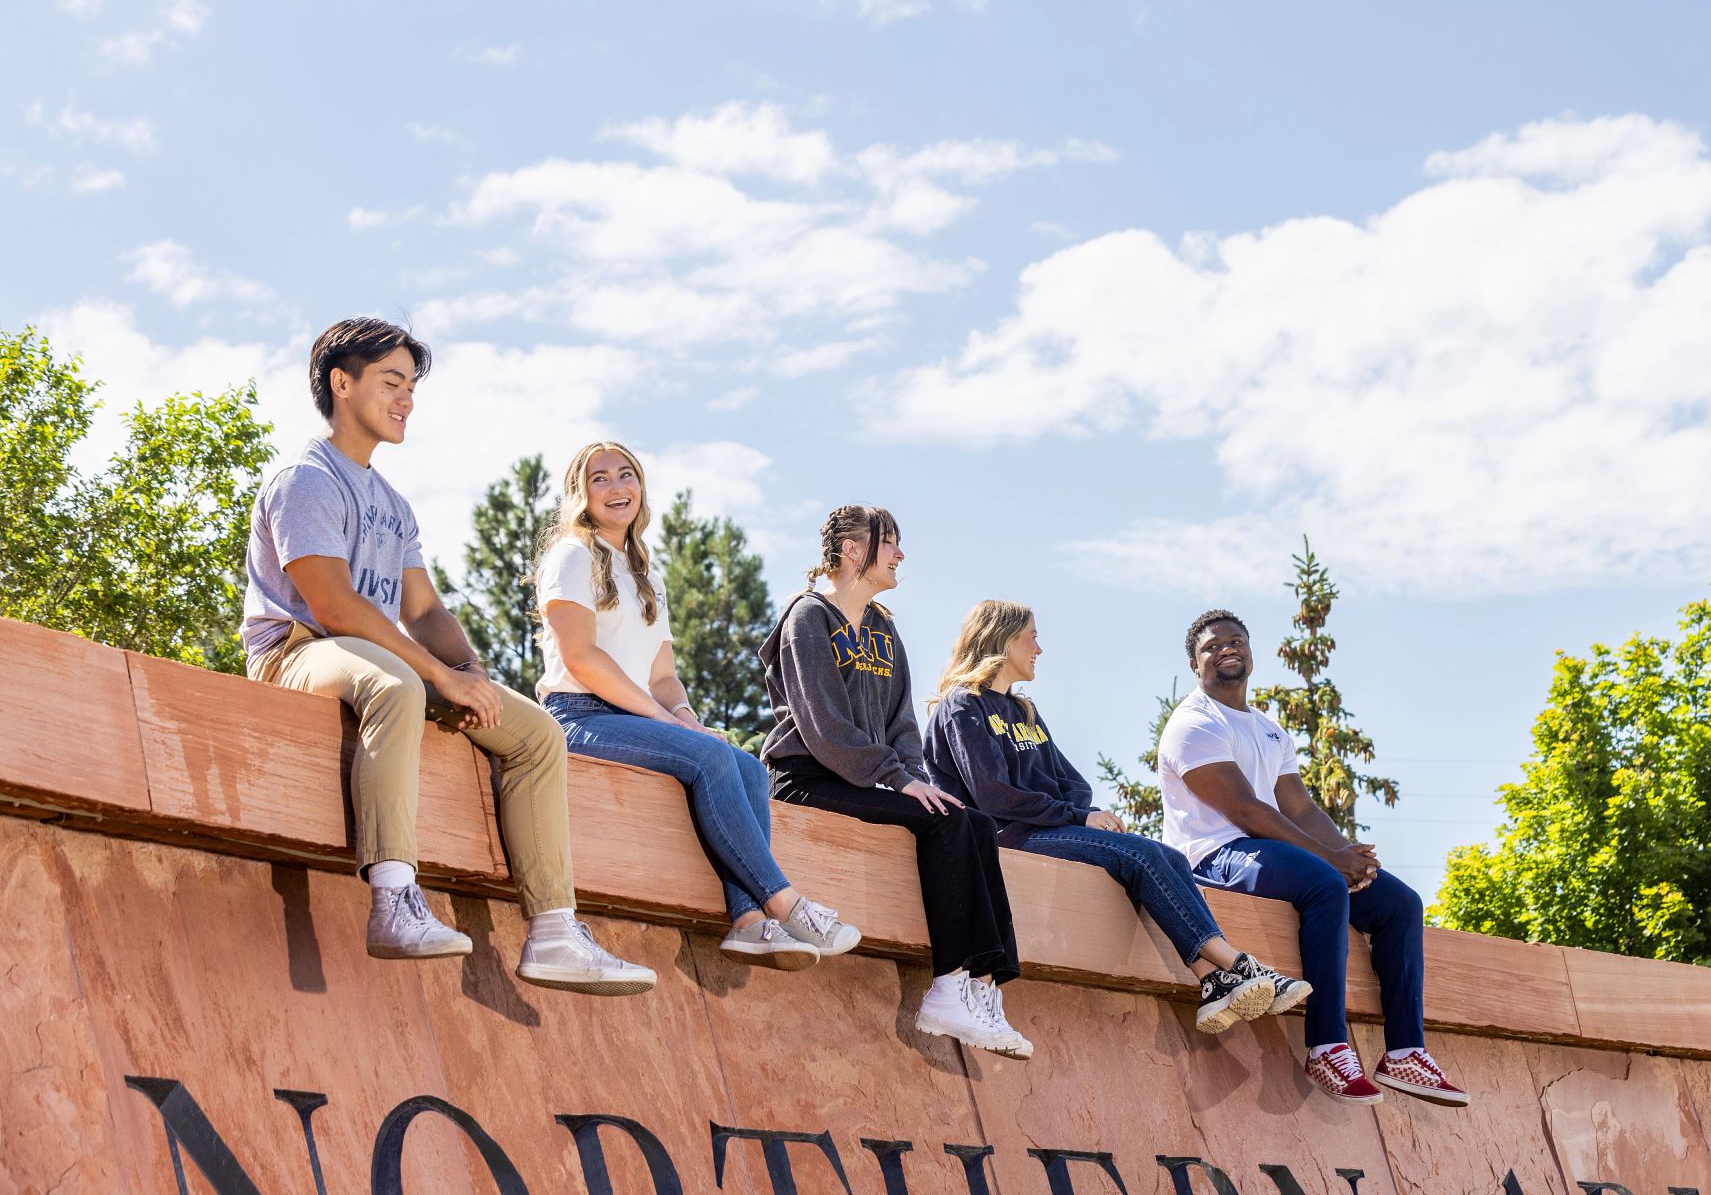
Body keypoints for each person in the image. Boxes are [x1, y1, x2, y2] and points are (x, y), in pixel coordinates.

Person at [241, 317, 653, 994]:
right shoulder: (305, 479)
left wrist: (472, 676)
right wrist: (436, 677)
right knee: (399, 685)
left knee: (537, 733)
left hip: (377, 653)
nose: (406, 399)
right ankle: (395, 900)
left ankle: (553, 931)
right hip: (298, 650)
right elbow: (335, 605)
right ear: (341, 383)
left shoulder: (392, 503)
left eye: (412, 387)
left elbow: (425, 611)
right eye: (391, 382)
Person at [533, 441, 860, 970]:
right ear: (580, 494)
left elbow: (662, 676)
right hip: (578, 715)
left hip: (633, 716)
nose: (617, 488)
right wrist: (665, 721)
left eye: (626, 475)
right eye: (600, 479)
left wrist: (687, 719)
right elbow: (582, 656)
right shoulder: (572, 556)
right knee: (709, 760)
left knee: (747, 768)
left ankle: (750, 925)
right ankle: (786, 904)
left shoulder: (645, 575)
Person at [926, 600, 1304, 1035]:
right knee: (1141, 856)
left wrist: (1084, 812)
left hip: (1049, 827)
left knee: (1168, 858)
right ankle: (1238, 964)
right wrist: (1075, 817)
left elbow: (1072, 781)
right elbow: (993, 795)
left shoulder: (1024, 710)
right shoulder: (962, 706)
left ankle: (1213, 980)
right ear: (1004, 639)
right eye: (1032, 637)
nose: (1039, 649)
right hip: (1006, 837)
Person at [1158, 609, 1470, 1107]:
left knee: (1399, 903)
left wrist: (1347, 853)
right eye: (1212, 647)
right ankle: (1327, 1045)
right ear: (1195, 664)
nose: (1226, 649)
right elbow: (1244, 809)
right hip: (1211, 857)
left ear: (1251, 651)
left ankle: (1405, 1052)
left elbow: (1299, 807)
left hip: (1268, 849)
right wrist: (1331, 860)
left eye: (1236, 640)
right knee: (1325, 882)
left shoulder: (1268, 730)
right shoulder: (1193, 724)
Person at [759, 506, 1032, 1059]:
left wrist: (909, 778)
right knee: (948, 822)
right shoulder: (808, 618)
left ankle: (983, 987)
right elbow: (824, 726)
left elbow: (903, 725)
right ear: (855, 550)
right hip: (805, 778)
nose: (901, 554)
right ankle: (946, 986)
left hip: (871, 778)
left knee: (972, 824)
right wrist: (895, 781)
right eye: (891, 543)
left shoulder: (884, 629)